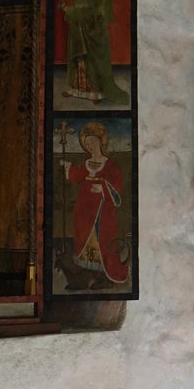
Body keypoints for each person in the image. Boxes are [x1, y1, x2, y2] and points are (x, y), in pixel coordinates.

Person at [61, 121, 129, 285]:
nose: (90, 145)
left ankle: (102, 274)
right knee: (84, 233)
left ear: (100, 141)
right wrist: (67, 167)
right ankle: (87, 271)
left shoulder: (110, 165)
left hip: (103, 207)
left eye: (92, 141)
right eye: (87, 143)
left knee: (102, 235)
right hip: (85, 205)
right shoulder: (86, 163)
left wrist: (103, 188)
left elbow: (117, 184)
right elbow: (77, 175)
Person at [61, 0, 129, 105]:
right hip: (78, 31)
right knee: (79, 60)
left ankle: (96, 91)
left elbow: (101, 12)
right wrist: (68, 11)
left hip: (94, 31)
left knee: (93, 61)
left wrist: (72, 12)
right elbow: (78, 10)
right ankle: (76, 89)